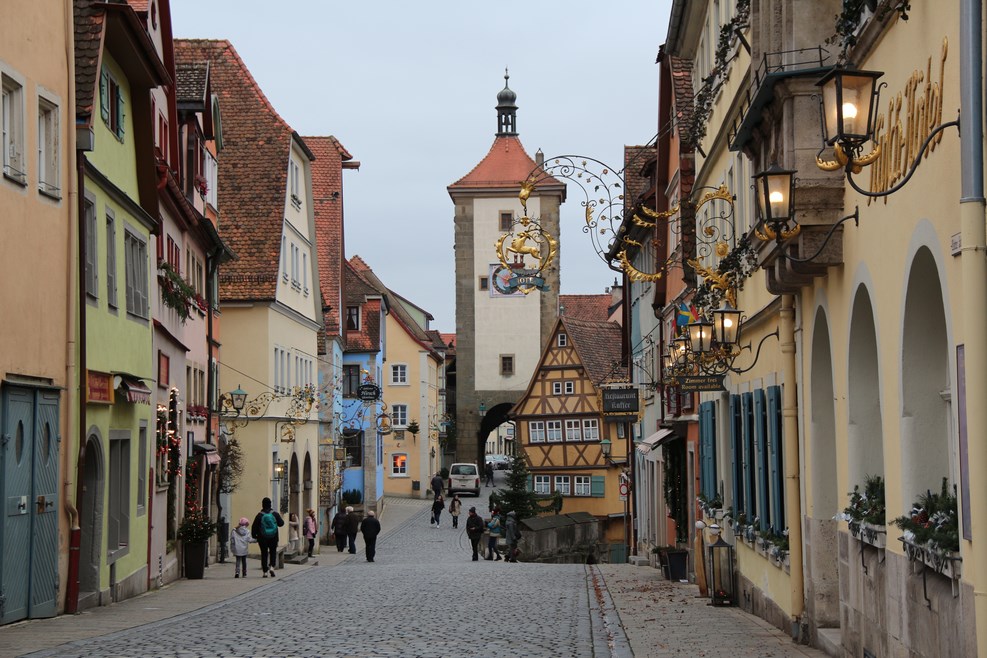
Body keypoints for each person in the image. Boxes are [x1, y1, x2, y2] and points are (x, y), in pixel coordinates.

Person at [250, 497, 284, 577]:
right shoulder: (275, 514)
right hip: (273, 537)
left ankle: (265, 572)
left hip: (262, 538)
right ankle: (272, 567)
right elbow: (281, 523)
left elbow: (254, 527)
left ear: (262, 505)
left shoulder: (259, 515)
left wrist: (255, 536)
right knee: (273, 552)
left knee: (264, 553)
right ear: (270, 504)